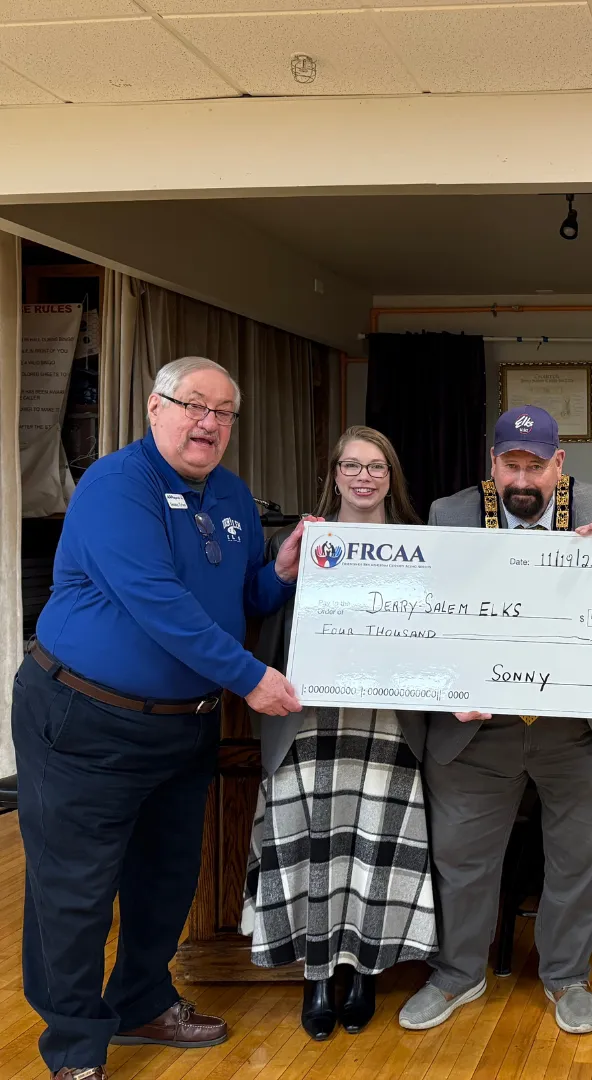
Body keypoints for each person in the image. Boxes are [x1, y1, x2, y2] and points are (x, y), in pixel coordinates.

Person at [12, 357, 305, 1080]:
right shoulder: (117, 485)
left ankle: (141, 1001)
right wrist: (250, 677)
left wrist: (281, 572)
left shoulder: (232, 495)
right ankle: (75, 1050)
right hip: (86, 719)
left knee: (167, 879)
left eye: (223, 412)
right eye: (193, 405)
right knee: (75, 889)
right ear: (155, 407)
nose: (208, 422)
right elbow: (158, 601)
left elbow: (242, 598)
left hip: (184, 728)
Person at [397, 405, 592, 1036]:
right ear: (492, 462)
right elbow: (429, 612)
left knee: (578, 859)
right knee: (461, 856)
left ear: (560, 462)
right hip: (479, 727)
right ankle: (457, 971)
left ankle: (567, 975)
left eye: (536, 466)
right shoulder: (450, 514)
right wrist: (445, 685)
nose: (522, 480)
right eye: (510, 465)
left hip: (573, 726)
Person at [242, 425, 437, 1041]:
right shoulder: (302, 541)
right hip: (310, 721)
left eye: (376, 466)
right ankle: (317, 975)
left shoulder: (423, 545)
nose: (363, 477)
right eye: (351, 465)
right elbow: (262, 614)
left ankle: (364, 971)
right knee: (313, 843)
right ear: (333, 474)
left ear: (391, 477)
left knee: (372, 846)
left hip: (386, 721)